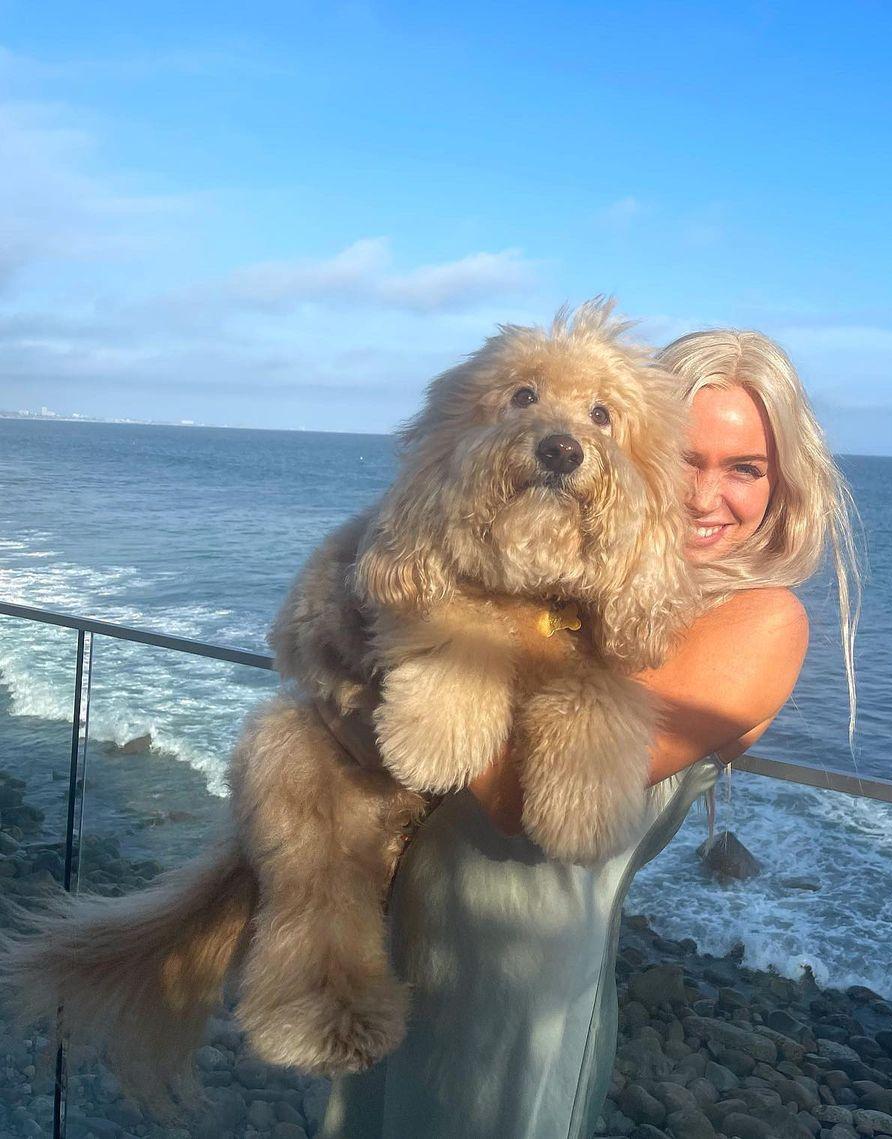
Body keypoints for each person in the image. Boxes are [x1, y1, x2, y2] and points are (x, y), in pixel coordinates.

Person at [319, 330, 859, 1139]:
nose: (703, 495)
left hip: (514, 1003)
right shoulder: (578, 592)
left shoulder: (756, 621)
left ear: (783, 488)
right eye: (682, 457)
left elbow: (509, 790)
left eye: (744, 468)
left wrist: (360, 669)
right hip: (387, 951)